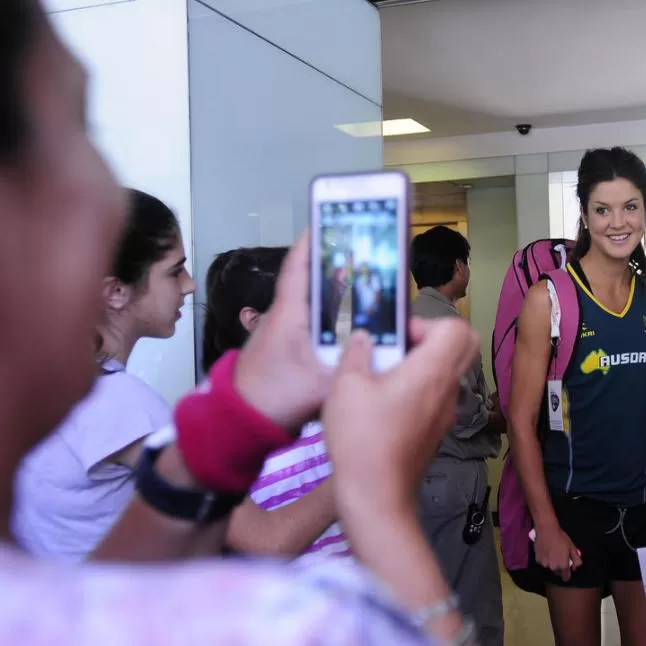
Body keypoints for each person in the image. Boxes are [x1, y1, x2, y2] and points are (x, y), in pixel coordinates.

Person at [0, 2, 483, 643]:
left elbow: (103, 590)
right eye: (74, 129)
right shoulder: (310, 621)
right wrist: (374, 491)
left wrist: (234, 417)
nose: (103, 186)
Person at [507, 147, 646, 646]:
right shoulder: (550, 298)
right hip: (574, 511)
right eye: (603, 209)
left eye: (631, 207)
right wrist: (546, 525)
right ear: (583, 214)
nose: (618, 222)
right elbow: (520, 421)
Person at [12, 188, 196, 560]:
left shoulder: (43, 381)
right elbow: (261, 539)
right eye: (175, 272)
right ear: (114, 292)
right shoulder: (121, 405)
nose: (189, 285)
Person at [202, 246, 349, 562]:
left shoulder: (321, 396)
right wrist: (360, 474)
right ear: (253, 320)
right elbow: (267, 545)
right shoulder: (211, 424)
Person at [410, 226, 506, 646]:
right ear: (457, 267)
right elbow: (464, 414)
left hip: (411, 478)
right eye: (466, 262)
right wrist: (505, 414)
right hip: (452, 477)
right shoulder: (448, 325)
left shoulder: (403, 320)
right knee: (470, 598)